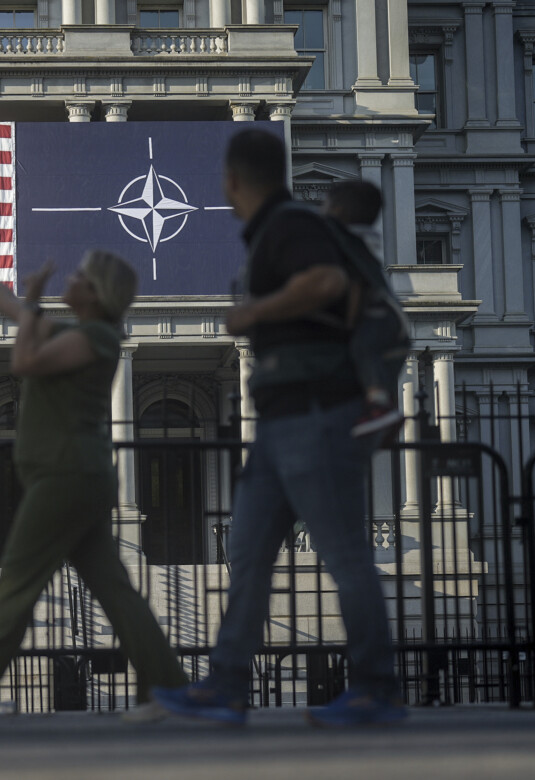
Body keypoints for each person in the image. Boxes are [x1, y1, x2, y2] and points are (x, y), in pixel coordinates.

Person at [152, 129, 406, 727]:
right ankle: (227, 685)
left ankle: (376, 689)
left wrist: (251, 313)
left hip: (316, 414)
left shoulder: (290, 225)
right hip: (280, 423)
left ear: (233, 181)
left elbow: (326, 283)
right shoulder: (283, 227)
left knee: (343, 555)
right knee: (247, 554)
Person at [0, 241, 188, 726]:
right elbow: (9, 304)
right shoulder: (77, 332)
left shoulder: (99, 337)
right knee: (115, 590)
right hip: (73, 477)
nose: (70, 280)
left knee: (16, 586)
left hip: (66, 477)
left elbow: (25, 362)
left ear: (97, 293)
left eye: (79, 276)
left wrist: (32, 308)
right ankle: (169, 690)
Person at [323, 180, 403, 438]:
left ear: (338, 210)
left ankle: (381, 407)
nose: (321, 211)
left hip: (379, 318)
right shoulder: (365, 237)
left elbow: (356, 284)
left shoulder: (348, 242)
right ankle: (381, 415)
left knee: (362, 350)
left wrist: (349, 322)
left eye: (325, 205)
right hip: (390, 319)